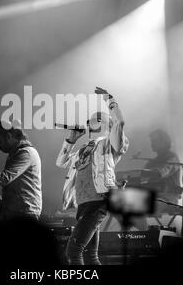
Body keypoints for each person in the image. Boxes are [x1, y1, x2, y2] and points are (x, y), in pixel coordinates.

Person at [56, 87, 129, 265]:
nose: (91, 124)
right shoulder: (82, 149)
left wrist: (108, 98)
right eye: (90, 121)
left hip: (99, 201)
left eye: (97, 120)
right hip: (83, 204)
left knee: (73, 251)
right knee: (90, 255)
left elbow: (120, 122)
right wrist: (71, 140)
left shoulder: (109, 144)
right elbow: (61, 162)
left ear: (107, 126)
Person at [144, 129, 182, 206]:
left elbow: (163, 171)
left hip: (169, 199)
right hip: (156, 197)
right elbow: (142, 174)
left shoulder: (173, 158)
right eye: (152, 142)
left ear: (164, 142)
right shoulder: (153, 161)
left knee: (144, 206)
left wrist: (151, 172)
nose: (152, 144)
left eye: (154, 141)